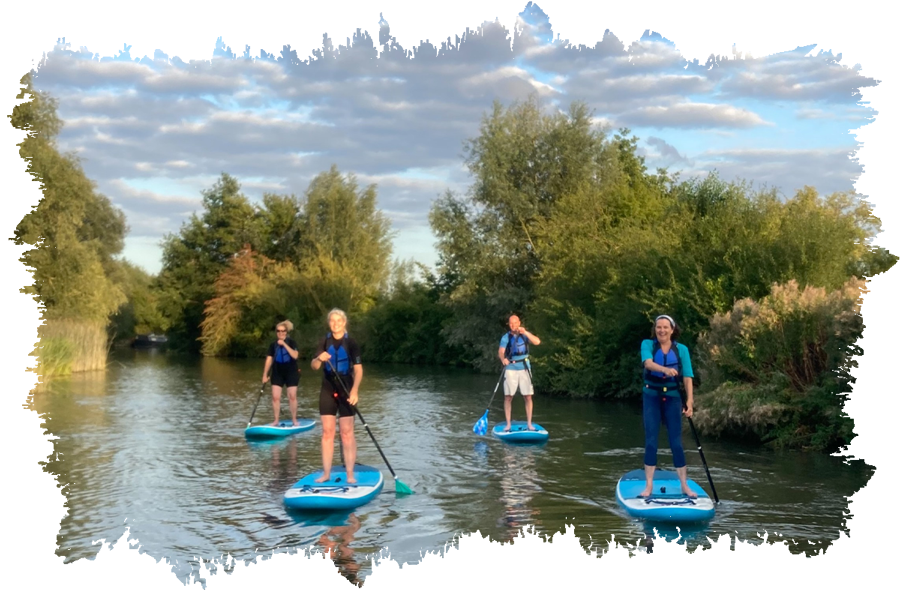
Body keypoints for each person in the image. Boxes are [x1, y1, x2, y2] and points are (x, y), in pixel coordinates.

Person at [639, 314, 696, 498]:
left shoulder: (682, 350)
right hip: (652, 396)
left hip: (673, 397)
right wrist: (664, 370)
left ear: (672, 330)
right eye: (658, 327)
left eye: (665, 327)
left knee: (676, 443)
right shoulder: (647, 345)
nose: (661, 330)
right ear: (655, 330)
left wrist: (689, 401)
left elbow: (687, 376)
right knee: (651, 442)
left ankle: (684, 485)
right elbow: (648, 363)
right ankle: (648, 486)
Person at [310, 308, 362, 484]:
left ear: (344, 322)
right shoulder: (324, 341)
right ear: (329, 322)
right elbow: (313, 366)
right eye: (332, 321)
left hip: (347, 388)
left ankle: (350, 474)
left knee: (347, 433)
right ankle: (326, 474)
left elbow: (359, 370)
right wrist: (319, 359)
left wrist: (355, 390)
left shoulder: (351, 343)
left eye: (338, 321)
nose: (335, 324)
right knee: (327, 432)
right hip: (327, 387)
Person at [498, 314, 541, 432]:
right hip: (511, 367)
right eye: (511, 323)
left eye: (515, 323)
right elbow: (501, 351)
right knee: (508, 397)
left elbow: (537, 342)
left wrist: (525, 332)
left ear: (519, 323)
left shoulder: (525, 335)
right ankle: (508, 424)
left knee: (528, 396)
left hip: (524, 367)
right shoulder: (506, 337)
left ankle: (529, 424)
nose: (513, 325)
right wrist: (503, 359)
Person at [261, 320, 301, 426]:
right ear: (276, 332)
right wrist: (265, 375)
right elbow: (269, 360)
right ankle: (276, 420)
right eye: (278, 331)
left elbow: (295, 355)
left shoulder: (292, 342)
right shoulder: (273, 345)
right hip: (277, 372)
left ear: (286, 332)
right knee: (275, 397)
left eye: (283, 331)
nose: (281, 333)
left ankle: (294, 420)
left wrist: (284, 344)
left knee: (292, 396)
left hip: (291, 371)